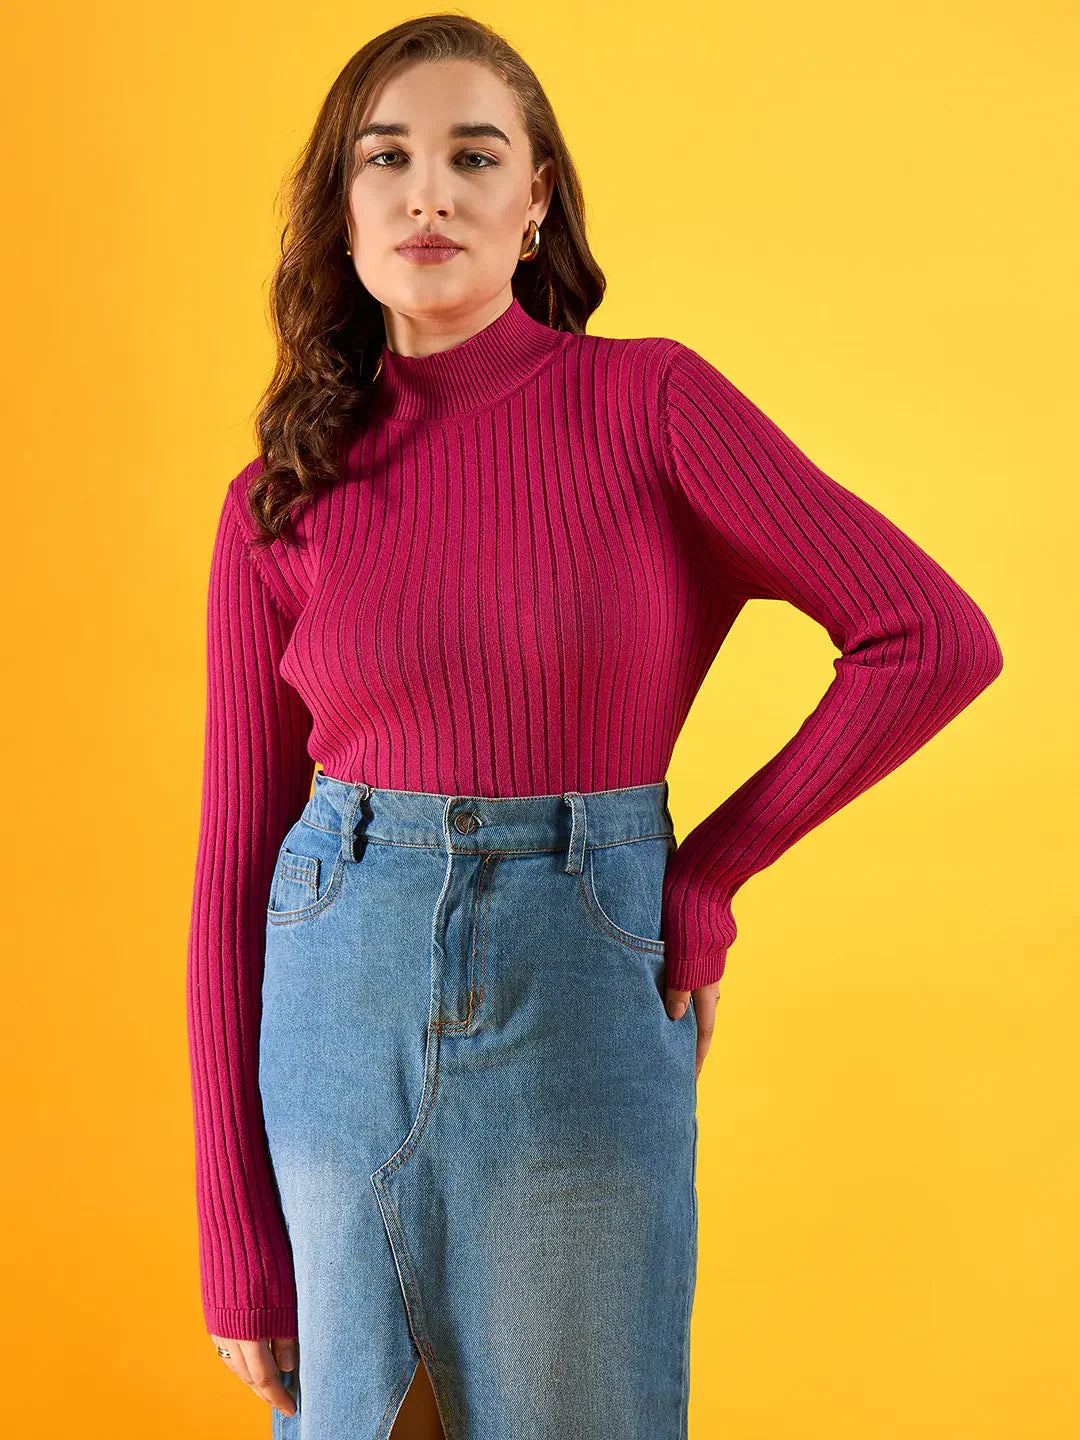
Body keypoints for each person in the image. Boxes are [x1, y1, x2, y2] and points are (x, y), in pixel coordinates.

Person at [185, 15, 1004, 1440]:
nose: (426, 193)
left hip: (583, 972)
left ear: (536, 200)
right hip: (337, 982)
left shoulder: (649, 404)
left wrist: (705, 871)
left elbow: (929, 637)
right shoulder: (281, 489)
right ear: (343, 205)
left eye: (471, 155)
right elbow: (232, 862)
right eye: (386, 160)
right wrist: (234, 1236)